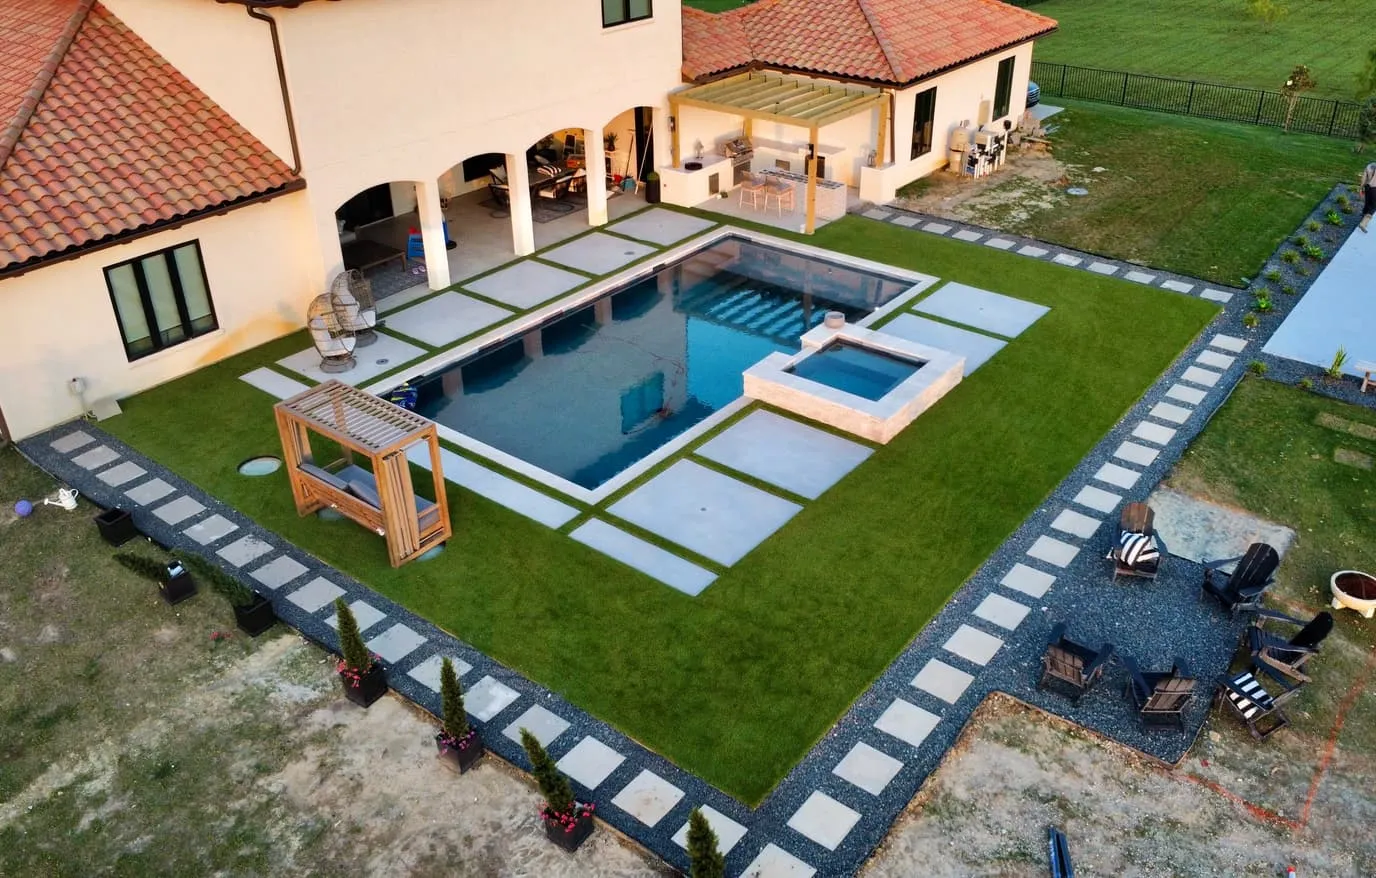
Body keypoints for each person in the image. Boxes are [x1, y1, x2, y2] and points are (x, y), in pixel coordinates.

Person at [1362, 162, 1376, 232]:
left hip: (1367, 187)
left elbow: (1364, 177)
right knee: (1373, 206)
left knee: (1367, 202)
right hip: (1375, 188)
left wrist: (1361, 187)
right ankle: (1363, 224)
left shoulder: (1370, 165)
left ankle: (1364, 214)